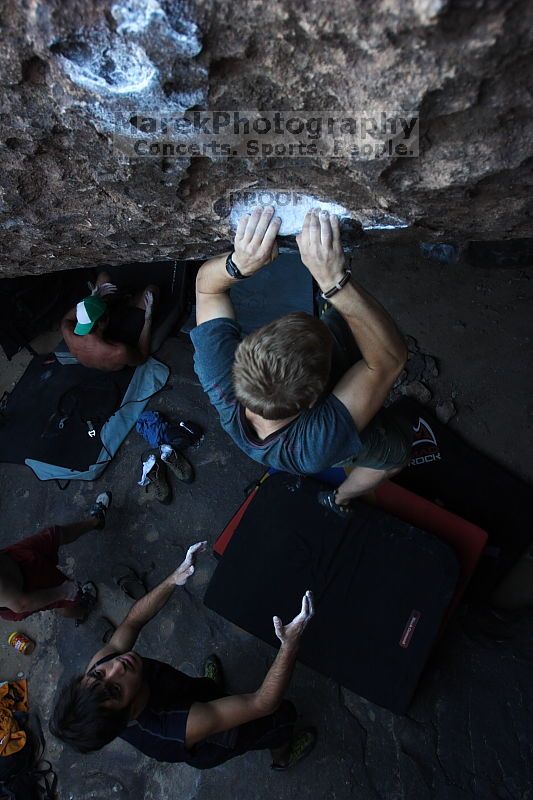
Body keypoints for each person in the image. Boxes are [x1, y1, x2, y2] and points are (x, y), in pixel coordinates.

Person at [191, 205, 411, 516]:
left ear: (241, 357)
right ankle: (340, 498)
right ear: (313, 400)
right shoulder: (316, 444)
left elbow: (205, 288)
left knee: (339, 322)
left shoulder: (217, 372)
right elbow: (389, 361)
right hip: (333, 446)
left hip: (304, 408)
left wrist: (237, 264)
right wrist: (334, 282)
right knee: (396, 453)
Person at [50, 541, 317, 771]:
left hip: (188, 695)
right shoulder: (179, 726)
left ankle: (212, 691)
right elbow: (262, 703)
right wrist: (289, 645)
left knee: (205, 689)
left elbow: (132, 622)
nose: (116, 667)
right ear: (129, 713)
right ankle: (282, 757)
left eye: (98, 674)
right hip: (213, 735)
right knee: (278, 719)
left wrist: (172, 579)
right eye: (116, 689)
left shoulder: (101, 669)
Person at [0, 491, 111, 622]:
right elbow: (21, 604)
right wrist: (62, 592)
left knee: (55, 534)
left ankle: (96, 521)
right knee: (68, 600)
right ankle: (83, 610)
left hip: (12, 558)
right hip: (25, 590)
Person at [60, 271, 159, 371]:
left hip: (101, 331)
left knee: (104, 277)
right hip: (123, 337)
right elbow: (142, 357)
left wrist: (92, 298)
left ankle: (125, 300)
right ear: (104, 322)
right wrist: (148, 320)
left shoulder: (68, 332)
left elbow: (66, 319)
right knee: (152, 290)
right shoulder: (118, 351)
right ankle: (129, 301)